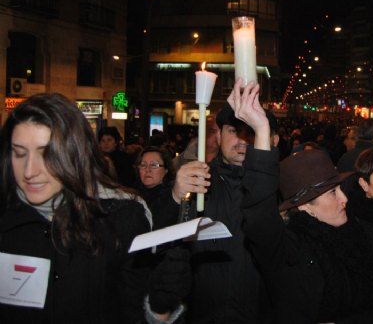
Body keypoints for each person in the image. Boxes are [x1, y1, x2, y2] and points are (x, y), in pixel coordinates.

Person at [0, 93, 188, 323]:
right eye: (19, 153)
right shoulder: (6, 218)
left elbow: (133, 312)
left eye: (47, 154)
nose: (29, 171)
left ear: (76, 152)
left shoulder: (120, 219)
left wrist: (158, 310)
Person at [236, 88, 373, 323]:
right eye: (332, 193)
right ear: (305, 206)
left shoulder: (361, 232)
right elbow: (258, 215)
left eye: (339, 189)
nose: (344, 199)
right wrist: (262, 131)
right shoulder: (289, 251)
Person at [154, 87, 279, 323]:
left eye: (251, 132)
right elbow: (159, 241)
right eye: (234, 131)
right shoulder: (197, 184)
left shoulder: (277, 189)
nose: (242, 140)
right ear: (219, 136)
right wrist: (174, 196)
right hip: (204, 313)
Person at [134, 146, 176, 230]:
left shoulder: (172, 197)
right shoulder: (132, 195)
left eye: (154, 165)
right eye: (143, 165)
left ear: (166, 170)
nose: (147, 169)